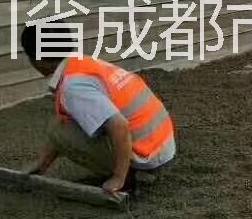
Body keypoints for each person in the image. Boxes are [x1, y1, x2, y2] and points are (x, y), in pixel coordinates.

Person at [21, 25, 176, 200]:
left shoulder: (73, 86)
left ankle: (128, 176)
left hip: (148, 158)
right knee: (65, 122)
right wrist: (42, 164)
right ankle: (129, 169)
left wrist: (118, 178)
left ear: (37, 58)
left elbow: (119, 126)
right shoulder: (83, 63)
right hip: (163, 146)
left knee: (59, 129)